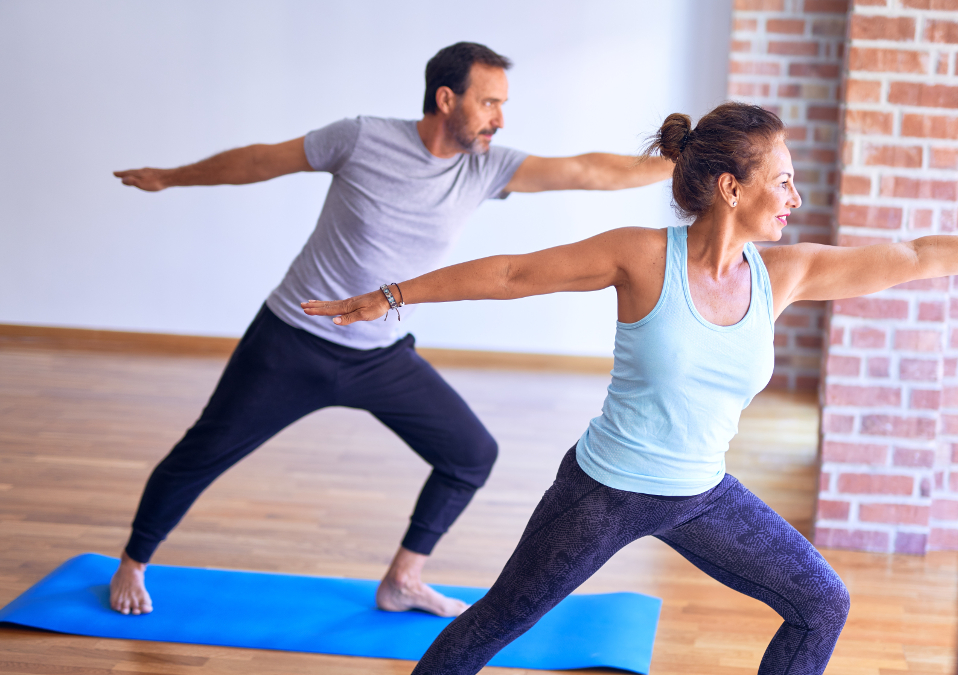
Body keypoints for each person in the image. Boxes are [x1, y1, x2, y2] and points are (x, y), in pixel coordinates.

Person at [301, 102, 958, 674]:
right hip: (604, 491)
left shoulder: (783, 274)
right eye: (781, 181)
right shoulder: (641, 255)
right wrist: (389, 295)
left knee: (822, 602)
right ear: (730, 187)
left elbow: (914, 258)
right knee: (493, 624)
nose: (795, 198)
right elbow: (513, 274)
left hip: (702, 494)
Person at [107, 41, 674, 617]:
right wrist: (171, 177)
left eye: (503, 104)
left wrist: (688, 164)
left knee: (470, 454)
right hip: (290, 343)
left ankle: (404, 579)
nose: (500, 119)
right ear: (446, 98)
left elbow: (592, 171)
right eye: (489, 103)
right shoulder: (360, 138)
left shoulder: (487, 165)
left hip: (379, 356)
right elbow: (260, 161)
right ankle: (132, 562)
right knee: (201, 453)